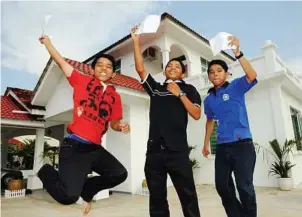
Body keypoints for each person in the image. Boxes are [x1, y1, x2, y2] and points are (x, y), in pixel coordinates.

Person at [37, 35, 130, 215]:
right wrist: (48, 43)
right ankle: (46, 171)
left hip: (94, 149)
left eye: (109, 66)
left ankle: (87, 192)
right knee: (67, 197)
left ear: (113, 73)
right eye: (100, 65)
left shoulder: (116, 97)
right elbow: (61, 62)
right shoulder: (82, 81)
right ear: (93, 69)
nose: (104, 68)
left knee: (119, 174)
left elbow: (114, 123)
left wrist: (121, 127)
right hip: (74, 146)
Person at [131, 27, 201, 217]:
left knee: (188, 196)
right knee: (157, 198)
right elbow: (140, 69)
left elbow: (196, 114)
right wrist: (136, 41)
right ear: (164, 70)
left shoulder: (190, 89)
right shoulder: (156, 89)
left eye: (177, 67)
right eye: (169, 66)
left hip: (177, 152)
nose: (172, 68)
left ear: (183, 74)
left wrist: (180, 95)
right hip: (154, 152)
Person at [202, 36, 258, 217]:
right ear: (209, 76)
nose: (215, 73)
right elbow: (209, 120)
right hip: (223, 146)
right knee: (222, 186)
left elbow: (252, 76)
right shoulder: (209, 99)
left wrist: (237, 53)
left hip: (243, 145)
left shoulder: (235, 87)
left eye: (219, 70)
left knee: (244, 187)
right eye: (211, 71)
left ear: (226, 73)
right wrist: (206, 144)